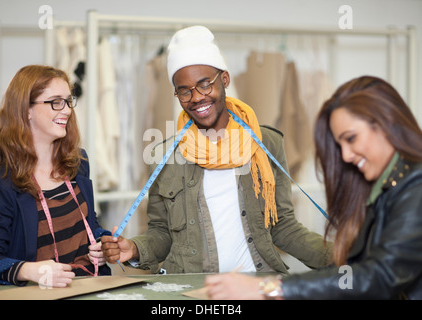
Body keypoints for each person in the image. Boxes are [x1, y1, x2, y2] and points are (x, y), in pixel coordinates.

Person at [102, 25, 331, 275]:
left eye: (204, 84)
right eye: (184, 90)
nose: (197, 97)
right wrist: (134, 249)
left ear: (224, 80)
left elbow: (283, 227)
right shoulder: (163, 156)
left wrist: (340, 255)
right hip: (191, 288)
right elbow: (162, 233)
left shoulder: (265, 144)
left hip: (255, 283)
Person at [205, 75, 422, 300]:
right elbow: (350, 273)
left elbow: (379, 276)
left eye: (352, 138)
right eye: (340, 145)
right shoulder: (386, 189)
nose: (346, 155)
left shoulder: (416, 187)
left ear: (387, 122)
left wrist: (269, 288)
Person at [0, 65, 111, 287]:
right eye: (56, 102)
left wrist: (103, 243)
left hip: (89, 286)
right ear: (26, 109)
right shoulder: (4, 180)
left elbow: (89, 225)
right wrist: (31, 271)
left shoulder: (78, 162)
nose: (66, 110)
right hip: (41, 293)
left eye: (68, 100)